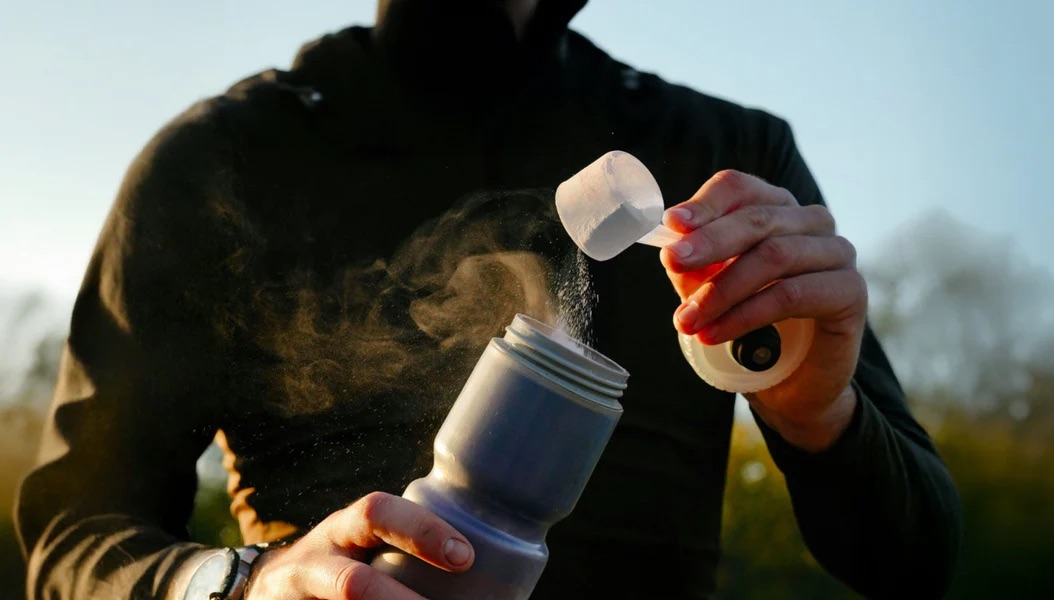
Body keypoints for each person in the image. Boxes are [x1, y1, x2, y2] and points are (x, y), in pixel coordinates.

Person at [16, 0, 962, 598]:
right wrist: (245, 582)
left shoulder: (727, 160)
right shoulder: (221, 165)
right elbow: (71, 541)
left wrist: (816, 409)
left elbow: (911, 561)